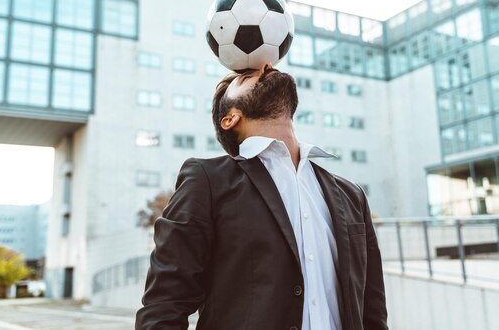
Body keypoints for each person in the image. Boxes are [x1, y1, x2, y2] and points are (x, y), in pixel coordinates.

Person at [135, 63, 388, 330]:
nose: (264, 65)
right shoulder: (206, 181)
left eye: (268, 66)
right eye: (245, 76)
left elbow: (373, 312)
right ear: (231, 118)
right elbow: (163, 306)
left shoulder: (351, 195)